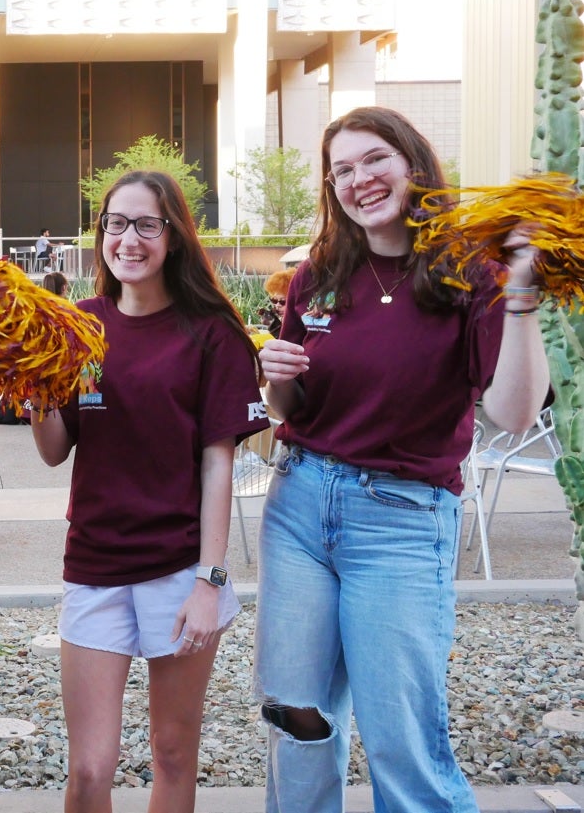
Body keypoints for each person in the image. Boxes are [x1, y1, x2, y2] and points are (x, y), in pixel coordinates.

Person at [255, 107, 549, 812]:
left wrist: (521, 294)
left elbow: (512, 411)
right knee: (297, 721)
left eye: (374, 159)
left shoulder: (471, 275)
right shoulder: (318, 271)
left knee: (402, 739)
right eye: (342, 170)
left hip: (402, 521)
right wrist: (275, 371)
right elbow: (290, 408)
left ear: (413, 162)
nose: (360, 180)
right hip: (299, 505)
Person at [30, 170, 269, 813]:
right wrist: (34, 392)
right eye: (115, 223)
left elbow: (219, 465)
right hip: (95, 566)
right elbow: (55, 450)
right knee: (88, 769)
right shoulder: (76, 326)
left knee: (171, 753)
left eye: (147, 224)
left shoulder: (212, 333)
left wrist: (209, 581)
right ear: (100, 233)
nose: (128, 238)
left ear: (174, 236)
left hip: (178, 571)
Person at [260, 267, 295, 336]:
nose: (277, 305)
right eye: (274, 300)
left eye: (283, 301)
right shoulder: (279, 319)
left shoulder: (300, 322)